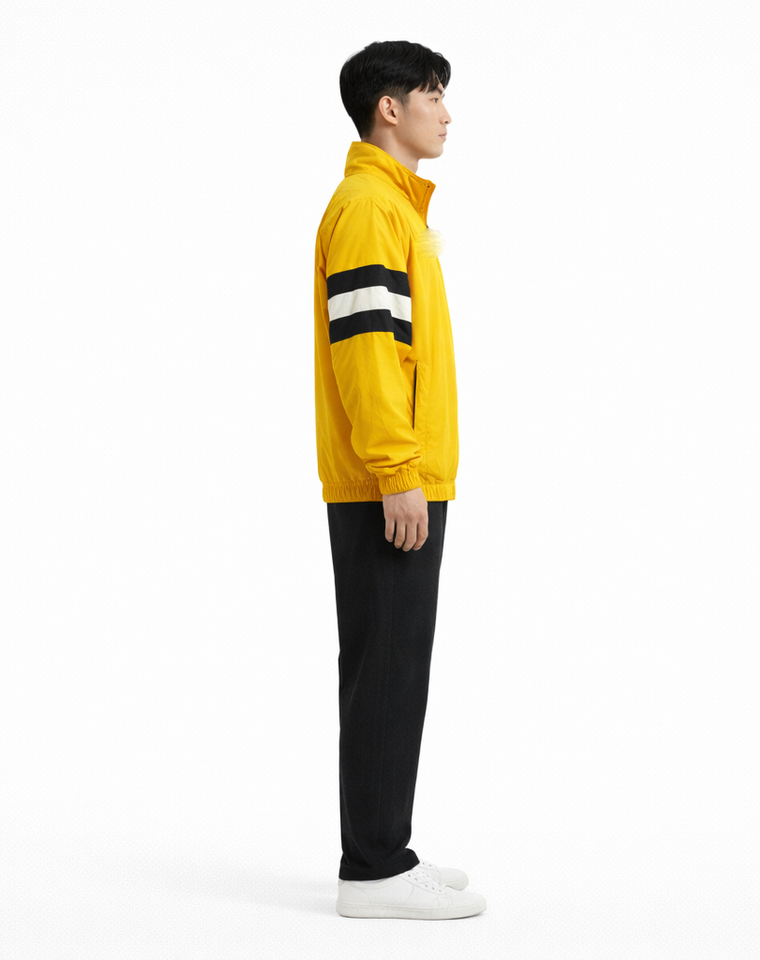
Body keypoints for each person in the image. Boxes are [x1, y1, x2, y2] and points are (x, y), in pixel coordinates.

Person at [313, 40, 487, 920]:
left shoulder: (393, 209)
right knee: (386, 668)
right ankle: (374, 872)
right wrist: (397, 472)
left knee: (393, 666)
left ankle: (384, 851)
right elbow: (370, 352)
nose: (447, 113)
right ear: (391, 107)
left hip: (405, 475)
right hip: (391, 482)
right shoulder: (369, 209)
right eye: (434, 95)